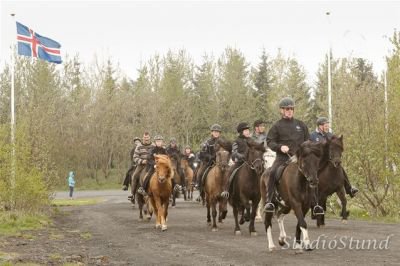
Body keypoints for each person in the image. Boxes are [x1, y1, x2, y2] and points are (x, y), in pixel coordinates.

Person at [264, 97, 323, 215]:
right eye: (287, 109)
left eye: (291, 108)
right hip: (283, 157)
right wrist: (280, 147)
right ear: (281, 110)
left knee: (313, 174)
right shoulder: (277, 126)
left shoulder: (301, 125)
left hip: (300, 158)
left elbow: (308, 141)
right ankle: (269, 201)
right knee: (272, 172)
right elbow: (270, 141)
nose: (290, 110)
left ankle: (316, 204)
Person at [310, 117, 358, 197]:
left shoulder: (331, 135)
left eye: (328, 125)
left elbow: (336, 146)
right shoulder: (312, 136)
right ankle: (311, 191)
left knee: (340, 168)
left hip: (329, 160)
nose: (327, 127)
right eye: (325, 126)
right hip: (318, 160)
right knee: (312, 172)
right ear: (320, 126)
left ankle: (349, 188)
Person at [221, 122, 251, 198]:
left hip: (251, 163)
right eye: (246, 130)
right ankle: (226, 190)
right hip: (240, 162)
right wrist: (242, 156)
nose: (248, 132)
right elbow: (234, 153)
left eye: (248, 130)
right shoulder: (236, 141)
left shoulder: (251, 140)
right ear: (241, 132)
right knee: (230, 172)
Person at [196, 124, 223, 198]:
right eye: (215, 131)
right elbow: (202, 153)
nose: (216, 133)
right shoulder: (207, 142)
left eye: (218, 132)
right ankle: (200, 187)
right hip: (209, 162)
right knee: (201, 172)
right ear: (212, 132)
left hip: (221, 163)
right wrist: (210, 157)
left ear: (220, 133)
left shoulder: (223, 142)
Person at [131, 132, 154, 201]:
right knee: (134, 176)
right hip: (141, 165)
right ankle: (132, 194)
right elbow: (135, 157)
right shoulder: (139, 146)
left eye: (147, 137)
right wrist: (141, 161)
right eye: (145, 137)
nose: (146, 139)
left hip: (151, 165)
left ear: (149, 138)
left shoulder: (153, 146)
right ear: (142, 138)